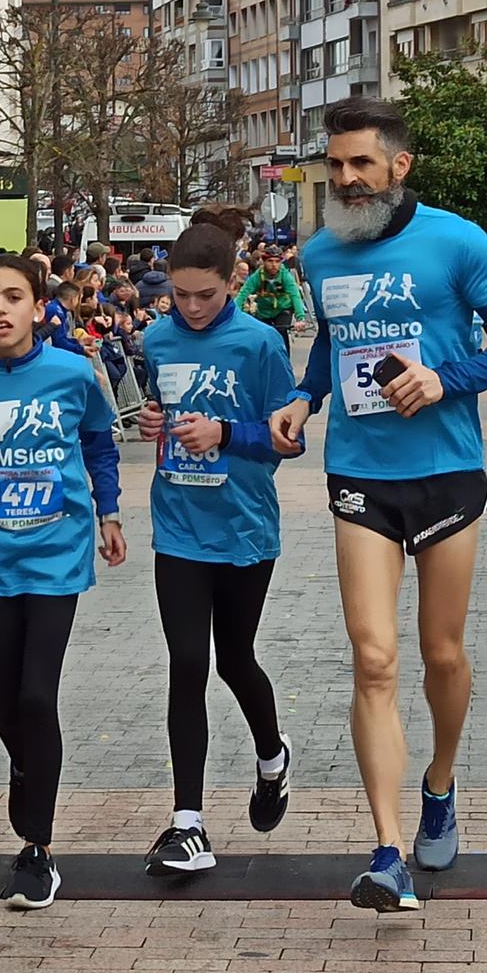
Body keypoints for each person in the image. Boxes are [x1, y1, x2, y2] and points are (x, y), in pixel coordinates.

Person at [270, 97, 487, 912]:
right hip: (360, 473)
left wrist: (445, 379)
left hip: (448, 470)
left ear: (399, 166)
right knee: (374, 658)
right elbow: (332, 340)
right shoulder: (321, 253)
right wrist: (303, 398)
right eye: (335, 166)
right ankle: (387, 849)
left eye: (361, 164)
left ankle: (440, 781)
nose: (347, 180)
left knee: (442, 655)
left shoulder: (457, 241)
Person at [0, 254, 126, 908]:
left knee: (37, 697)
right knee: (9, 705)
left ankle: (36, 847)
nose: (0, 310)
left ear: (39, 308)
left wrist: (109, 509)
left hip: (58, 553)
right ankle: (28, 765)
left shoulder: (71, 372)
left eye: (13, 297)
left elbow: (99, 442)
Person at [132, 210, 305, 876]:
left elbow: (289, 439)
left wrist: (228, 436)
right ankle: (187, 823)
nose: (194, 307)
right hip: (177, 526)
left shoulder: (258, 344)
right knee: (186, 662)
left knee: (234, 659)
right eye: (180, 294)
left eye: (206, 294)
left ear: (232, 280)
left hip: (243, 528)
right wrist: (155, 420)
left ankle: (272, 755)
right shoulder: (157, 339)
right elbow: (162, 405)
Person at [236, 244, 307, 337]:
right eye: (270, 261)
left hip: (282, 309)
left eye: (277, 261)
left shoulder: (285, 276)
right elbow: (243, 294)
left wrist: (300, 318)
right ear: (264, 261)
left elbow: (295, 295)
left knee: (281, 335)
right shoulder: (257, 276)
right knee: (261, 336)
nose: (274, 265)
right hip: (264, 311)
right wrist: (234, 314)